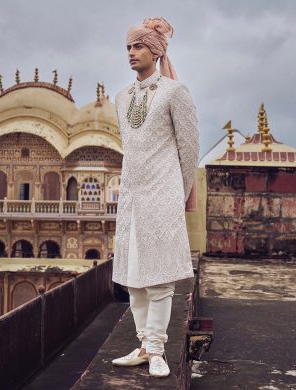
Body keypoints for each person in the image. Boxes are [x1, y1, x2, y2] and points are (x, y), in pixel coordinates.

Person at [111, 16, 200, 378]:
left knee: (159, 279)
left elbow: (189, 150)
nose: (131, 53)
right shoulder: (122, 97)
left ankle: (159, 349)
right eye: (129, 47)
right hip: (131, 196)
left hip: (163, 196)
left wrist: (174, 194)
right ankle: (143, 345)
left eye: (138, 46)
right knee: (133, 277)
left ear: (156, 50)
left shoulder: (174, 93)